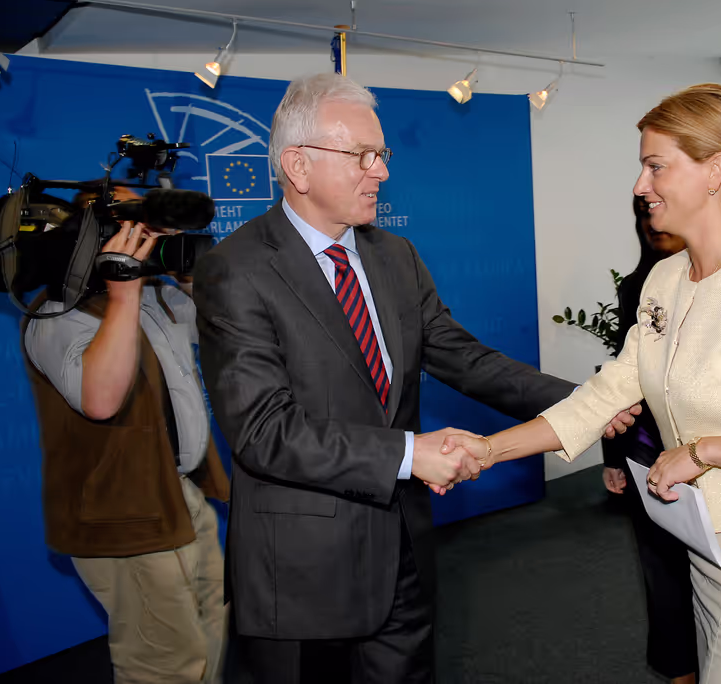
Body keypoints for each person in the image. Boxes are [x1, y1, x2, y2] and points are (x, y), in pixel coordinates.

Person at [191, 73, 636, 684]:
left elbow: (464, 358)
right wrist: (408, 454)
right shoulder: (235, 270)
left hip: (402, 545)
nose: (381, 172)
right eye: (363, 156)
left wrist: (586, 403)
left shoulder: (394, 257)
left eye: (384, 155)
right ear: (297, 165)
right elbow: (265, 431)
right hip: (302, 571)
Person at [444, 83, 721, 684]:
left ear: (715, 170)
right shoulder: (666, 281)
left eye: (656, 166)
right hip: (707, 553)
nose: (639, 186)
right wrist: (488, 450)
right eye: (641, 167)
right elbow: (604, 396)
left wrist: (706, 451)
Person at [22, 201, 230, 684]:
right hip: (121, 516)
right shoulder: (57, 312)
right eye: (134, 231)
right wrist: (122, 294)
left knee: (211, 627)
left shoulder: (157, 296)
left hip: (178, 493)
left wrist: (184, 273)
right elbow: (100, 399)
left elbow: (225, 328)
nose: (148, 240)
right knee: (164, 663)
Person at [601, 195, 695, 684]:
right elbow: (621, 376)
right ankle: (679, 669)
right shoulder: (639, 285)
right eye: (641, 214)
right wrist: (614, 455)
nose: (651, 223)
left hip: (713, 456)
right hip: (646, 449)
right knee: (661, 569)